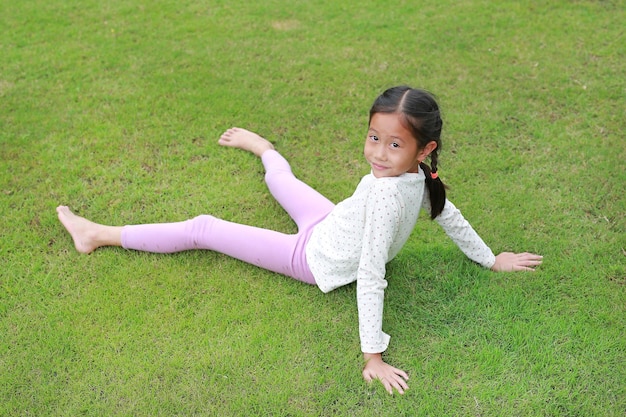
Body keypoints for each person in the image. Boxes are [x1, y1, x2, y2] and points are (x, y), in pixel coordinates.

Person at [56, 86, 542, 395]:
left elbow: (373, 274)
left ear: (424, 150)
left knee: (204, 227)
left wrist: (372, 355)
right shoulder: (408, 179)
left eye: (394, 145)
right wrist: (490, 259)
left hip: (310, 257)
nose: (378, 152)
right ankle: (263, 148)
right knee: (281, 181)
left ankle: (96, 234)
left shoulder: (391, 196)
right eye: (374, 138)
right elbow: (447, 213)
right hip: (331, 222)